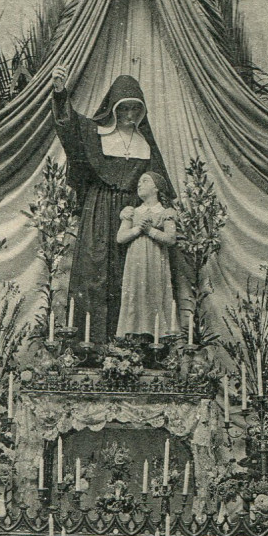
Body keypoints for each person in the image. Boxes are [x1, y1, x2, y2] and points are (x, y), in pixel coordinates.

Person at [51, 66, 174, 344]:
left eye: (134, 109)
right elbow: (69, 129)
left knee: (131, 277)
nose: (129, 116)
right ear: (113, 108)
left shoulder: (145, 144)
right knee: (95, 274)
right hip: (98, 211)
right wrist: (60, 93)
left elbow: (159, 186)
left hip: (131, 216)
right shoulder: (96, 134)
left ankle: (130, 346)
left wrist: (160, 214)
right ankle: (92, 346)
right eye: (124, 109)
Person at [116, 171, 177, 339]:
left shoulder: (165, 212)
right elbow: (120, 238)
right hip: (135, 261)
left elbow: (171, 239)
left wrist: (150, 231)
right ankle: (132, 336)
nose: (139, 184)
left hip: (155, 259)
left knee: (154, 292)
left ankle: (155, 336)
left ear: (156, 188)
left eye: (145, 181)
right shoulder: (132, 212)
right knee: (134, 293)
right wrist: (137, 229)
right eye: (139, 181)